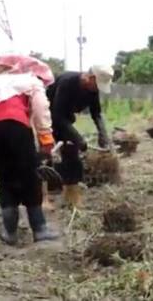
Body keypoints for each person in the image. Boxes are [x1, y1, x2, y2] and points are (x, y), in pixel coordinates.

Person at [0, 54, 59, 245]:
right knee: (30, 177)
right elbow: (40, 108)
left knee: (6, 178)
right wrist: (46, 137)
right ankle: (40, 229)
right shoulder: (30, 81)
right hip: (13, 126)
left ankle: (10, 232)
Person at [46, 66, 114, 208]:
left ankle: (71, 196)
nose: (98, 89)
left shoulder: (92, 91)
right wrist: (78, 137)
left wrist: (104, 135)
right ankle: (47, 196)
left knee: (71, 152)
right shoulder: (67, 82)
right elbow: (57, 115)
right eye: (98, 85)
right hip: (47, 117)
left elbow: (96, 113)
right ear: (90, 78)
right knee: (50, 154)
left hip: (66, 118)